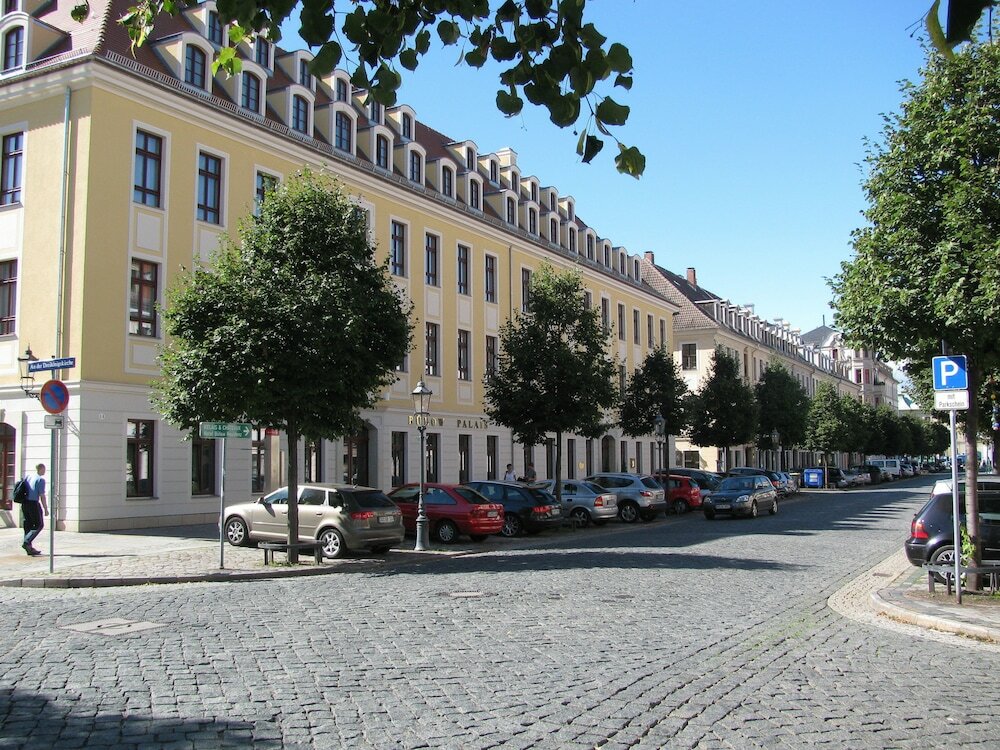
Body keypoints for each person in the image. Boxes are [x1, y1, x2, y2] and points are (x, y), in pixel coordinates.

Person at [21, 463, 48, 556]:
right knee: (39, 524)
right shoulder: (40, 480)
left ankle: (29, 548)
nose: (45, 471)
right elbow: (42, 496)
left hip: (25, 503)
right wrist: (45, 508)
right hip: (33, 503)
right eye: (44, 469)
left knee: (28, 525)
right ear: (41, 469)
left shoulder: (29, 476)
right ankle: (27, 542)